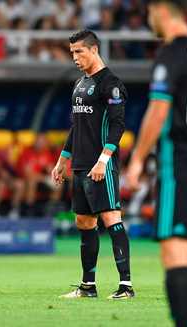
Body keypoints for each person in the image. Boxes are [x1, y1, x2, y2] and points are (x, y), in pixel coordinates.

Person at [126, 1, 187, 326]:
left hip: (180, 165)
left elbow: (158, 112)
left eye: (151, 11)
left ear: (162, 11)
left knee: (175, 253)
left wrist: (137, 158)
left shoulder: (171, 54)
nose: (150, 18)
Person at [52, 29, 134, 300]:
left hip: (102, 166)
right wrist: (62, 161)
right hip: (81, 165)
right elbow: (77, 126)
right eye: (72, 52)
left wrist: (103, 160)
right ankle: (88, 287)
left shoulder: (110, 83)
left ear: (94, 50)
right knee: (84, 222)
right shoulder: (79, 84)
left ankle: (126, 286)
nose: (75, 57)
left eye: (79, 51)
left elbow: (118, 124)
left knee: (111, 218)